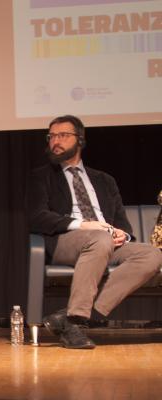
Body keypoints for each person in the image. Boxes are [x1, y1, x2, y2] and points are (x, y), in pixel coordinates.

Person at [27, 114, 162, 349]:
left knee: (152, 255)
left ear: (80, 139)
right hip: (65, 240)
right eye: (51, 136)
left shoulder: (104, 180)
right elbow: (37, 217)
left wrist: (124, 235)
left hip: (106, 242)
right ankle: (77, 320)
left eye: (63, 135)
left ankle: (72, 319)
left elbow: (122, 222)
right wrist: (82, 225)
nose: (55, 141)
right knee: (99, 238)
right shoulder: (41, 177)